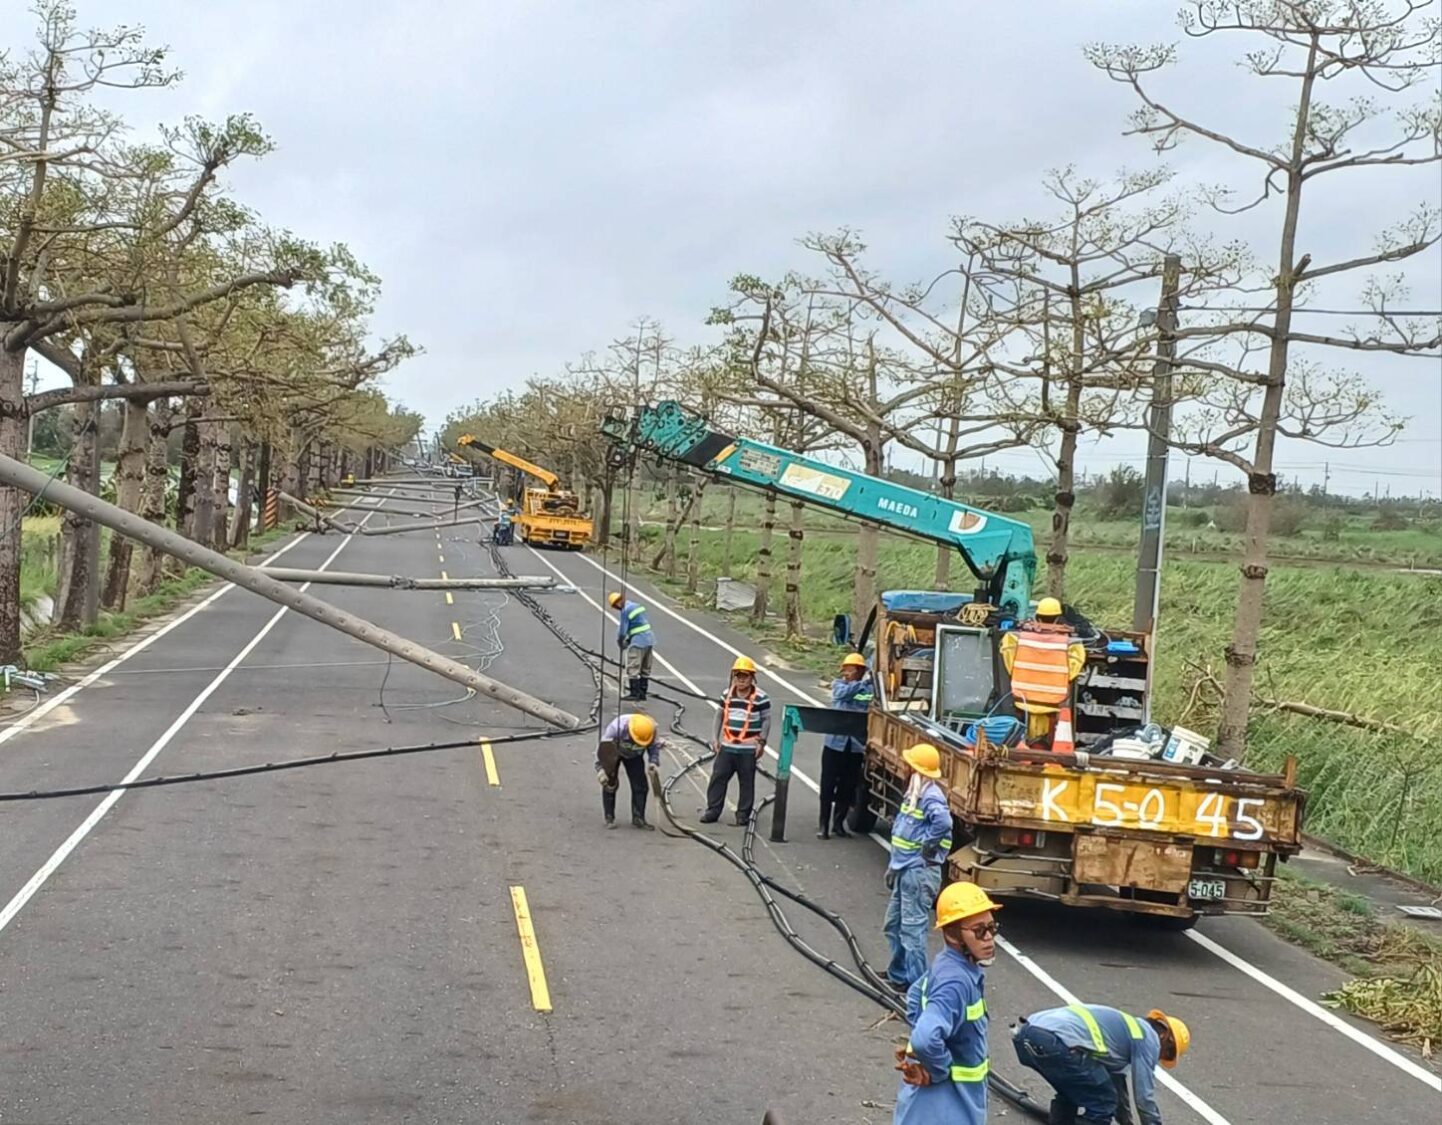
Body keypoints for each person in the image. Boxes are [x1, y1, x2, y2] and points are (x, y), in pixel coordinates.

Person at [891, 882, 999, 1125]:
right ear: (951, 934)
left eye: (992, 928)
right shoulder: (956, 982)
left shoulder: (949, 967)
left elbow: (916, 995)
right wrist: (937, 1069)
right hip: (947, 1109)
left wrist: (917, 1056)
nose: (989, 938)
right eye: (979, 930)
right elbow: (925, 1038)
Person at [1012, 1003, 1191, 1125]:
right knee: (1102, 1104)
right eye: (1168, 1052)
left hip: (1027, 1034)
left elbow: (1117, 1087)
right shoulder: (1148, 1038)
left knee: (1072, 1092)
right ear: (1165, 1037)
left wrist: (1125, 1122)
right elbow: (1144, 1097)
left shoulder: (1122, 1034)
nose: (1160, 1057)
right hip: (1051, 1042)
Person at [884, 742, 954, 991]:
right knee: (893, 924)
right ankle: (899, 972)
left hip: (918, 870)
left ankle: (917, 985)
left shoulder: (930, 795)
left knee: (911, 931)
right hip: (905, 868)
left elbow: (943, 823)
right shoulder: (915, 790)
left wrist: (926, 848)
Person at [999, 595, 1086, 744]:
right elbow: (1073, 670)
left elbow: (1008, 658)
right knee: (1047, 743)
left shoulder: (1017, 639)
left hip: (1022, 700)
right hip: (1052, 703)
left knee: (1020, 742)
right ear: (1058, 618)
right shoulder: (1071, 645)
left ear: (1037, 617)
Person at [700, 655, 771, 826]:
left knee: (747, 781)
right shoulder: (727, 694)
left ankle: (743, 814)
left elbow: (766, 720)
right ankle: (713, 810)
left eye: (745, 676)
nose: (741, 680)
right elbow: (719, 716)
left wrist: (761, 742)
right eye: (738, 676)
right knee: (718, 777)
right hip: (728, 746)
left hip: (748, 748)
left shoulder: (761, 698)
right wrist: (715, 739)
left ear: (752, 678)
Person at [819, 652, 873, 839]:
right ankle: (823, 825)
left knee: (847, 788)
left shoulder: (868, 691)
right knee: (827, 786)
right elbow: (844, 694)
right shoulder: (839, 685)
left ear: (859, 671)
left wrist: (867, 685)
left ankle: (838, 824)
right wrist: (862, 684)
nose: (846, 673)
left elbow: (870, 703)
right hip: (835, 745)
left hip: (855, 746)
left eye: (850, 670)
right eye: (845, 670)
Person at [595, 712, 663, 830]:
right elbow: (602, 750)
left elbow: (653, 746)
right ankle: (609, 817)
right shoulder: (617, 728)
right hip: (614, 752)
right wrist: (601, 769)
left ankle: (638, 818)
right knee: (610, 783)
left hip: (635, 756)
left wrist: (653, 762)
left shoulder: (651, 729)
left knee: (641, 786)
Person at [608, 592, 655, 701]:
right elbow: (638, 625)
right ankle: (643, 692)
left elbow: (622, 632)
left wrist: (621, 642)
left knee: (633, 666)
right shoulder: (637, 606)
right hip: (649, 639)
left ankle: (634, 693)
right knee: (645, 667)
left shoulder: (625, 611)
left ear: (616, 604)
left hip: (638, 642)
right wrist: (629, 638)